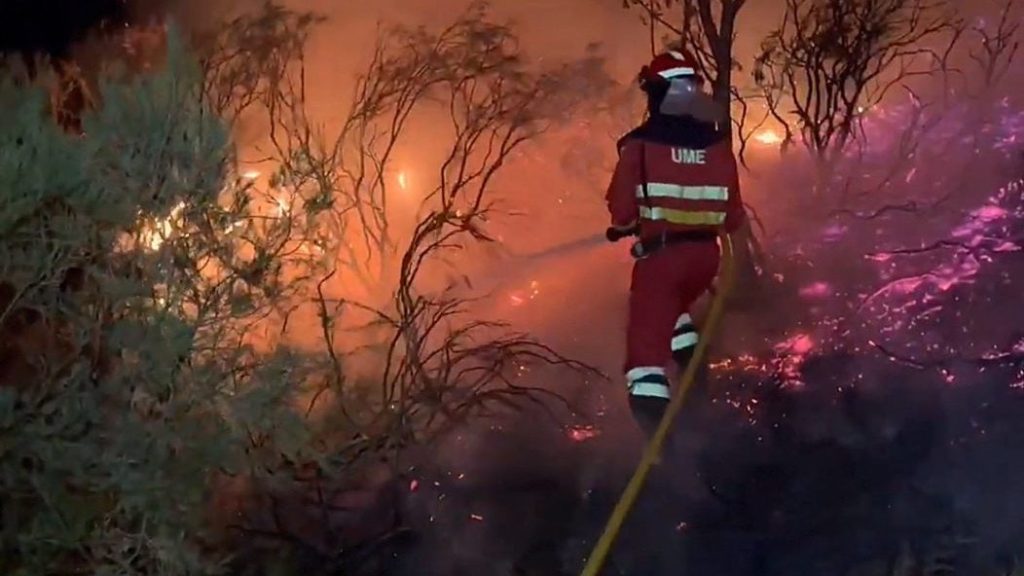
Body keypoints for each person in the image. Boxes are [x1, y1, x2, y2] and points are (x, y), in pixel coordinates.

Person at [604, 48, 747, 436]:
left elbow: (621, 213)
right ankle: (694, 374)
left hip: (662, 260)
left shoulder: (639, 145)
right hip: (705, 261)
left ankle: (664, 450)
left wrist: (633, 222)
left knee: (644, 362)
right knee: (674, 309)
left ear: (655, 93)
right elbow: (733, 217)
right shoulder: (718, 146)